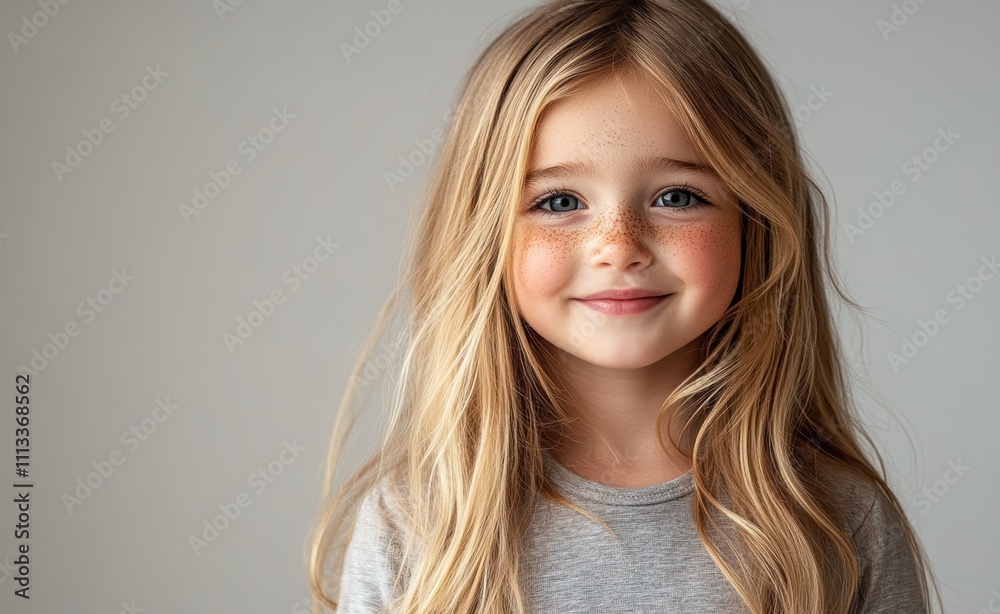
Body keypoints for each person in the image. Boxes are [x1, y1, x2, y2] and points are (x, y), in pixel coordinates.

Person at [308, 0, 943, 612]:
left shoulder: (839, 522)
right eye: (559, 203)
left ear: (756, 221)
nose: (618, 246)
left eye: (676, 196)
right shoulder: (415, 523)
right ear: (484, 234)